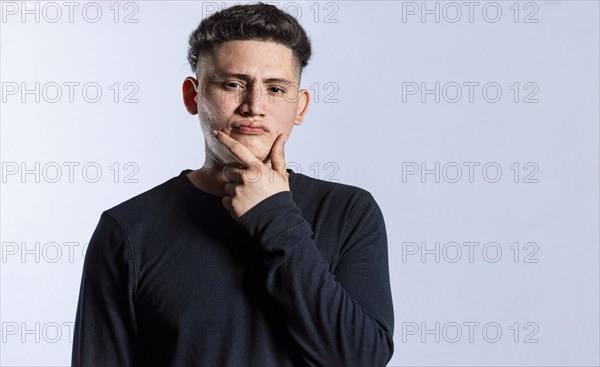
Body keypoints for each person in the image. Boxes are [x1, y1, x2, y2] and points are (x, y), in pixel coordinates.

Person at [71, 3, 394, 366]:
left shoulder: (349, 213)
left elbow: (361, 358)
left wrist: (273, 216)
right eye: (233, 84)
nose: (254, 105)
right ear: (193, 97)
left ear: (300, 106)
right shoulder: (128, 230)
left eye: (275, 89)